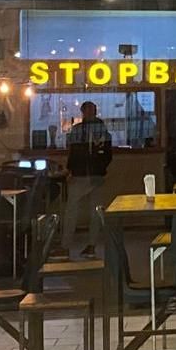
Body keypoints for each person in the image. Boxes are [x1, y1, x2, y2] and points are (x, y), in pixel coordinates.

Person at [63, 101, 113, 254]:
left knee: (72, 210)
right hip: (96, 174)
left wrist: (70, 170)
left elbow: (73, 152)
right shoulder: (102, 130)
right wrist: (101, 168)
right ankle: (91, 244)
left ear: (82, 112)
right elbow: (107, 154)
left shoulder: (78, 130)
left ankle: (66, 245)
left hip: (81, 174)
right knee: (95, 211)